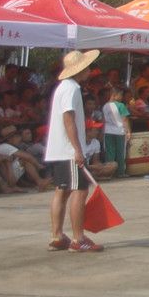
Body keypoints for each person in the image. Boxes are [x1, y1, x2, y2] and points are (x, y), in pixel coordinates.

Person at [46, 50, 103, 252]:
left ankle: (57, 235)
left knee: (62, 191)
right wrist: (78, 149)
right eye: (87, 67)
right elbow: (68, 119)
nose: (89, 70)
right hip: (69, 149)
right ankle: (78, 238)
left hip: (59, 148)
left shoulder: (63, 87)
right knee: (80, 190)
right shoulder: (71, 88)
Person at [100, 84, 131, 178]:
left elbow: (103, 121)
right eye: (120, 95)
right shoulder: (121, 105)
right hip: (119, 132)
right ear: (114, 95)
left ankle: (109, 172)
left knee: (109, 152)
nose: (121, 97)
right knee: (120, 152)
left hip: (108, 131)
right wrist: (128, 131)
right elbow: (124, 119)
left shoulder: (105, 106)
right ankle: (120, 172)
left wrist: (102, 132)